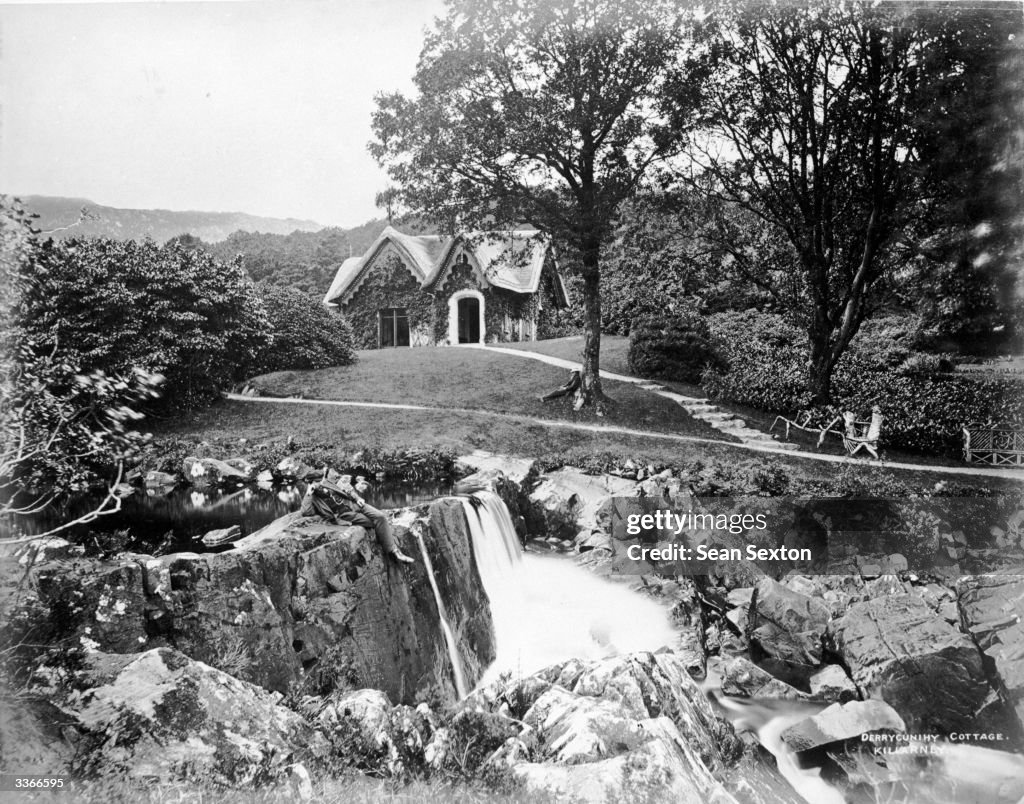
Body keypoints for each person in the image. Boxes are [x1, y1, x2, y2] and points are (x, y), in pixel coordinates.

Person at [300, 468, 415, 563]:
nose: (320, 483)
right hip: (346, 514)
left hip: (355, 504)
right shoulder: (312, 497)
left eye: (321, 480)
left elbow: (346, 487)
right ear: (311, 483)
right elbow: (306, 512)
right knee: (373, 523)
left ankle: (394, 551)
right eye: (317, 481)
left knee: (380, 516)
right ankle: (394, 552)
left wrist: (357, 498)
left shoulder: (328, 482)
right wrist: (308, 494)